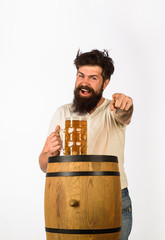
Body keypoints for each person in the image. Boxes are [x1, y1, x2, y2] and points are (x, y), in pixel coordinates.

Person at [39, 49, 133, 240]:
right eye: (81, 76)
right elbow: (44, 165)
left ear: (105, 83)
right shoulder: (62, 113)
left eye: (93, 78)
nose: (85, 82)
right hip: (69, 198)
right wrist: (49, 151)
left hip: (112, 198)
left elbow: (125, 114)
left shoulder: (112, 110)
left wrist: (126, 104)